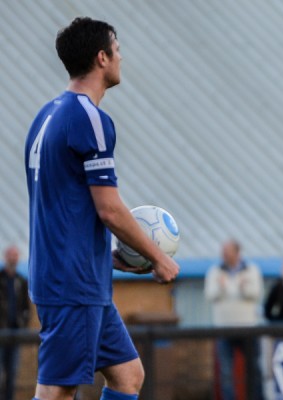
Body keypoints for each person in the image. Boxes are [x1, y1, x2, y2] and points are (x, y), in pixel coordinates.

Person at [24, 17, 179, 400]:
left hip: (75, 275)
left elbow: (62, 207)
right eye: (118, 49)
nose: (122, 57)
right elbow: (108, 209)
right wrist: (157, 257)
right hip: (72, 283)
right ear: (102, 58)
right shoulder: (90, 118)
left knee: (128, 375)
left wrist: (105, 257)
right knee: (56, 392)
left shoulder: (47, 114)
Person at [204, 240, 264, 400]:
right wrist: (222, 287)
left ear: (237, 252)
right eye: (223, 251)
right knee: (225, 372)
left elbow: (256, 294)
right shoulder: (214, 271)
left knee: (254, 369)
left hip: (249, 328)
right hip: (223, 329)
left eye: (227, 251)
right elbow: (210, 295)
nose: (223, 254)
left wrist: (243, 287)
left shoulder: (251, 270)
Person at [0, 246, 30, 400]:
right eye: (11, 255)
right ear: (6, 257)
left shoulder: (21, 281)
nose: (13, 258)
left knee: (12, 372)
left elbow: (26, 307)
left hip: (16, 334)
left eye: (16, 255)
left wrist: (23, 325)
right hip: (1, 334)